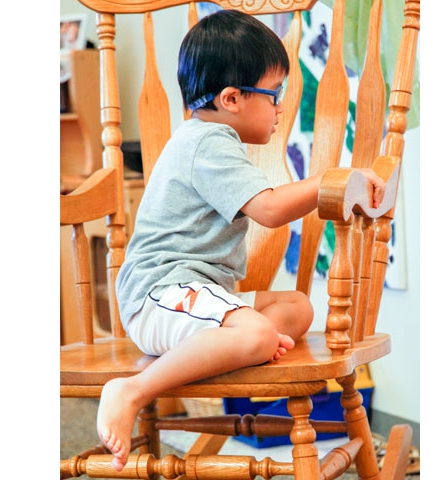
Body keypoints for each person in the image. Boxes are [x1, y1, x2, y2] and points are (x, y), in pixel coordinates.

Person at [96, 9, 385, 472]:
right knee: (257, 330)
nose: (281, 107)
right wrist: (332, 179)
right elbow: (269, 210)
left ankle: (239, 341)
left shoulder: (210, 138)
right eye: (275, 95)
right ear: (232, 98)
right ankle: (133, 389)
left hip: (193, 294)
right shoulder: (207, 141)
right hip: (160, 294)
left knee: (297, 308)